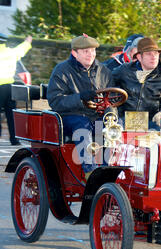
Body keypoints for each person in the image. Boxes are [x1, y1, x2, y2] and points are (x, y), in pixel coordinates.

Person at [47, 33, 114, 178]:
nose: (90, 54)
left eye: (93, 51)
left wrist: (111, 114)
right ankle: (90, 172)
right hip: (70, 116)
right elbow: (55, 101)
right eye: (85, 51)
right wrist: (80, 98)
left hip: (96, 116)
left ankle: (109, 169)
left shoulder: (104, 71)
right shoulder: (62, 70)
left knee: (113, 127)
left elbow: (112, 99)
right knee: (82, 125)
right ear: (74, 53)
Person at [112, 37, 161, 130]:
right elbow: (105, 80)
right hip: (123, 120)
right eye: (149, 54)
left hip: (150, 124)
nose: (153, 57)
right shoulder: (124, 70)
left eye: (156, 53)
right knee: (105, 133)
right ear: (139, 57)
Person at [0, 31, 32, 145]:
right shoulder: (11, 52)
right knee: (11, 115)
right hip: (10, 87)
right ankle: (14, 139)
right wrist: (27, 42)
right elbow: (21, 50)